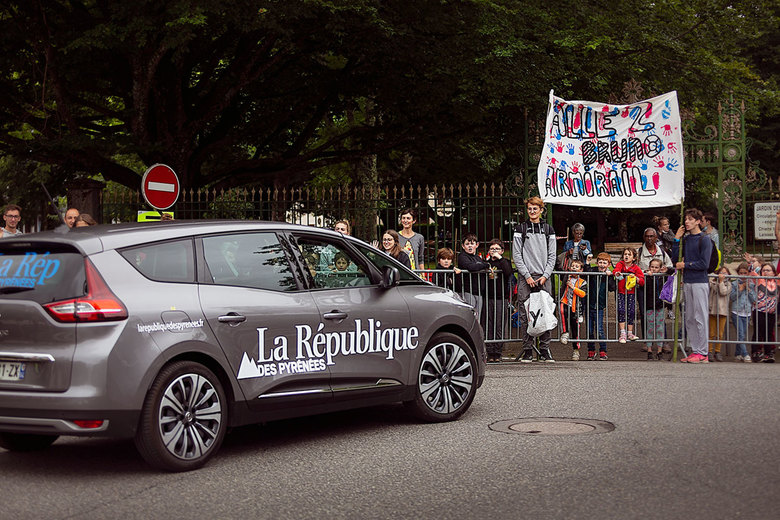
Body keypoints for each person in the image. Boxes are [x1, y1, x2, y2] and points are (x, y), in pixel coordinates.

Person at [512, 196, 557, 363]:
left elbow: (552, 255)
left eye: (535, 209)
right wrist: (527, 276)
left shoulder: (548, 229)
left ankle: (545, 349)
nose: (532, 211)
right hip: (526, 277)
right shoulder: (521, 228)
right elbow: (516, 254)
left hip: (544, 277)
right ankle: (528, 349)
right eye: (530, 208)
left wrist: (545, 275)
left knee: (546, 312)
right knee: (525, 314)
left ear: (541, 210)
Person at [673, 208, 713, 364]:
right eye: (686, 219)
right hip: (688, 281)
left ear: (697, 221)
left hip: (699, 281)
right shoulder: (687, 239)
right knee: (689, 317)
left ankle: (703, 352)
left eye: (690, 219)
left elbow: (704, 263)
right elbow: (676, 259)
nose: (687, 222)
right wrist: (677, 240)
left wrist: (686, 264)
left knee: (700, 317)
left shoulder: (705, 239)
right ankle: (695, 350)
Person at [484, 239, 515, 363]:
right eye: (492, 249)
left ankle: (497, 352)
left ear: (502, 251)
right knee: (488, 324)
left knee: (499, 324)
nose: (494, 251)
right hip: (488, 297)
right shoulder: (486, 263)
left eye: (497, 249)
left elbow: (508, 272)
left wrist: (500, 258)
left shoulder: (505, 262)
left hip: (501, 297)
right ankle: (490, 351)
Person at [585, 252, 615, 360]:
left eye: (604, 263)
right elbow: (586, 273)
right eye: (600, 262)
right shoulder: (593, 271)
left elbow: (612, 287)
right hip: (589, 305)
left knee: (599, 329)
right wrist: (587, 262)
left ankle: (603, 350)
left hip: (600, 306)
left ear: (608, 264)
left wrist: (609, 276)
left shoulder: (608, 274)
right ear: (597, 263)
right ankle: (591, 350)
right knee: (589, 330)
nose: (602, 265)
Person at [612, 247, 645, 343]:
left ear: (634, 258)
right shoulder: (620, 264)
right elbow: (616, 270)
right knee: (621, 310)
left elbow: (642, 280)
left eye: (629, 254)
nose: (626, 256)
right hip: (621, 292)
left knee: (631, 312)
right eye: (625, 254)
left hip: (631, 292)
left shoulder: (635, 268)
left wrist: (636, 278)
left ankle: (630, 333)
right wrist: (617, 273)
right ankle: (622, 333)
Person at [457, 232, 490, 324]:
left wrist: (482, 265)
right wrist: (485, 265)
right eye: (467, 244)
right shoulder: (462, 256)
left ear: (477, 245)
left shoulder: (477, 258)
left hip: (479, 291)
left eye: (472, 243)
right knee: (470, 316)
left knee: (477, 317)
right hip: (468, 290)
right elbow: (471, 267)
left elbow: (479, 266)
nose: (470, 246)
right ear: (463, 246)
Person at [748, 263, 777, 363]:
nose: (766, 272)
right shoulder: (759, 280)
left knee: (769, 332)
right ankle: (756, 352)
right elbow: (752, 272)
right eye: (764, 270)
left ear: (773, 273)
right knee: (758, 331)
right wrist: (751, 263)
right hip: (759, 311)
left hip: (772, 312)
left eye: (768, 270)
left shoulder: (777, 281)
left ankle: (768, 353)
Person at [558, 258, 587, 360]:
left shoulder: (582, 282)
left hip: (575, 307)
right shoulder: (566, 276)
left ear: (581, 270)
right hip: (565, 301)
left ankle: (576, 350)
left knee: (575, 329)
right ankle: (565, 333)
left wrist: (573, 288)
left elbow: (583, 294)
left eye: (576, 267)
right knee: (562, 311)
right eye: (572, 266)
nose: (574, 268)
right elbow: (559, 266)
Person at [730, 262, 755, 362]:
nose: (743, 275)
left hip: (747, 311)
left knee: (743, 334)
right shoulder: (734, 283)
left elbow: (754, 299)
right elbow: (732, 297)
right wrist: (740, 290)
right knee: (740, 334)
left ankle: (737, 353)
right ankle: (745, 354)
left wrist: (748, 289)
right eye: (741, 273)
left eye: (745, 273)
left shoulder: (752, 283)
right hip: (737, 311)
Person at [643, 258, 666, 360]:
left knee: (660, 328)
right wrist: (649, 277)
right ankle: (649, 350)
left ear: (660, 268)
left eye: (656, 267)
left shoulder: (662, 278)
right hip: (649, 305)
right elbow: (645, 287)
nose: (654, 269)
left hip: (659, 305)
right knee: (650, 328)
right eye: (652, 267)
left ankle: (660, 350)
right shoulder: (647, 277)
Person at [707, 266, 731, 362]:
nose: (723, 275)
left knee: (720, 333)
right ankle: (709, 351)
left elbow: (723, 292)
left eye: (725, 273)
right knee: (711, 332)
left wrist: (721, 282)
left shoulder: (728, 284)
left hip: (722, 311)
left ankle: (717, 351)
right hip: (712, 310)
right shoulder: (712, 282)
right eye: (721, 273)